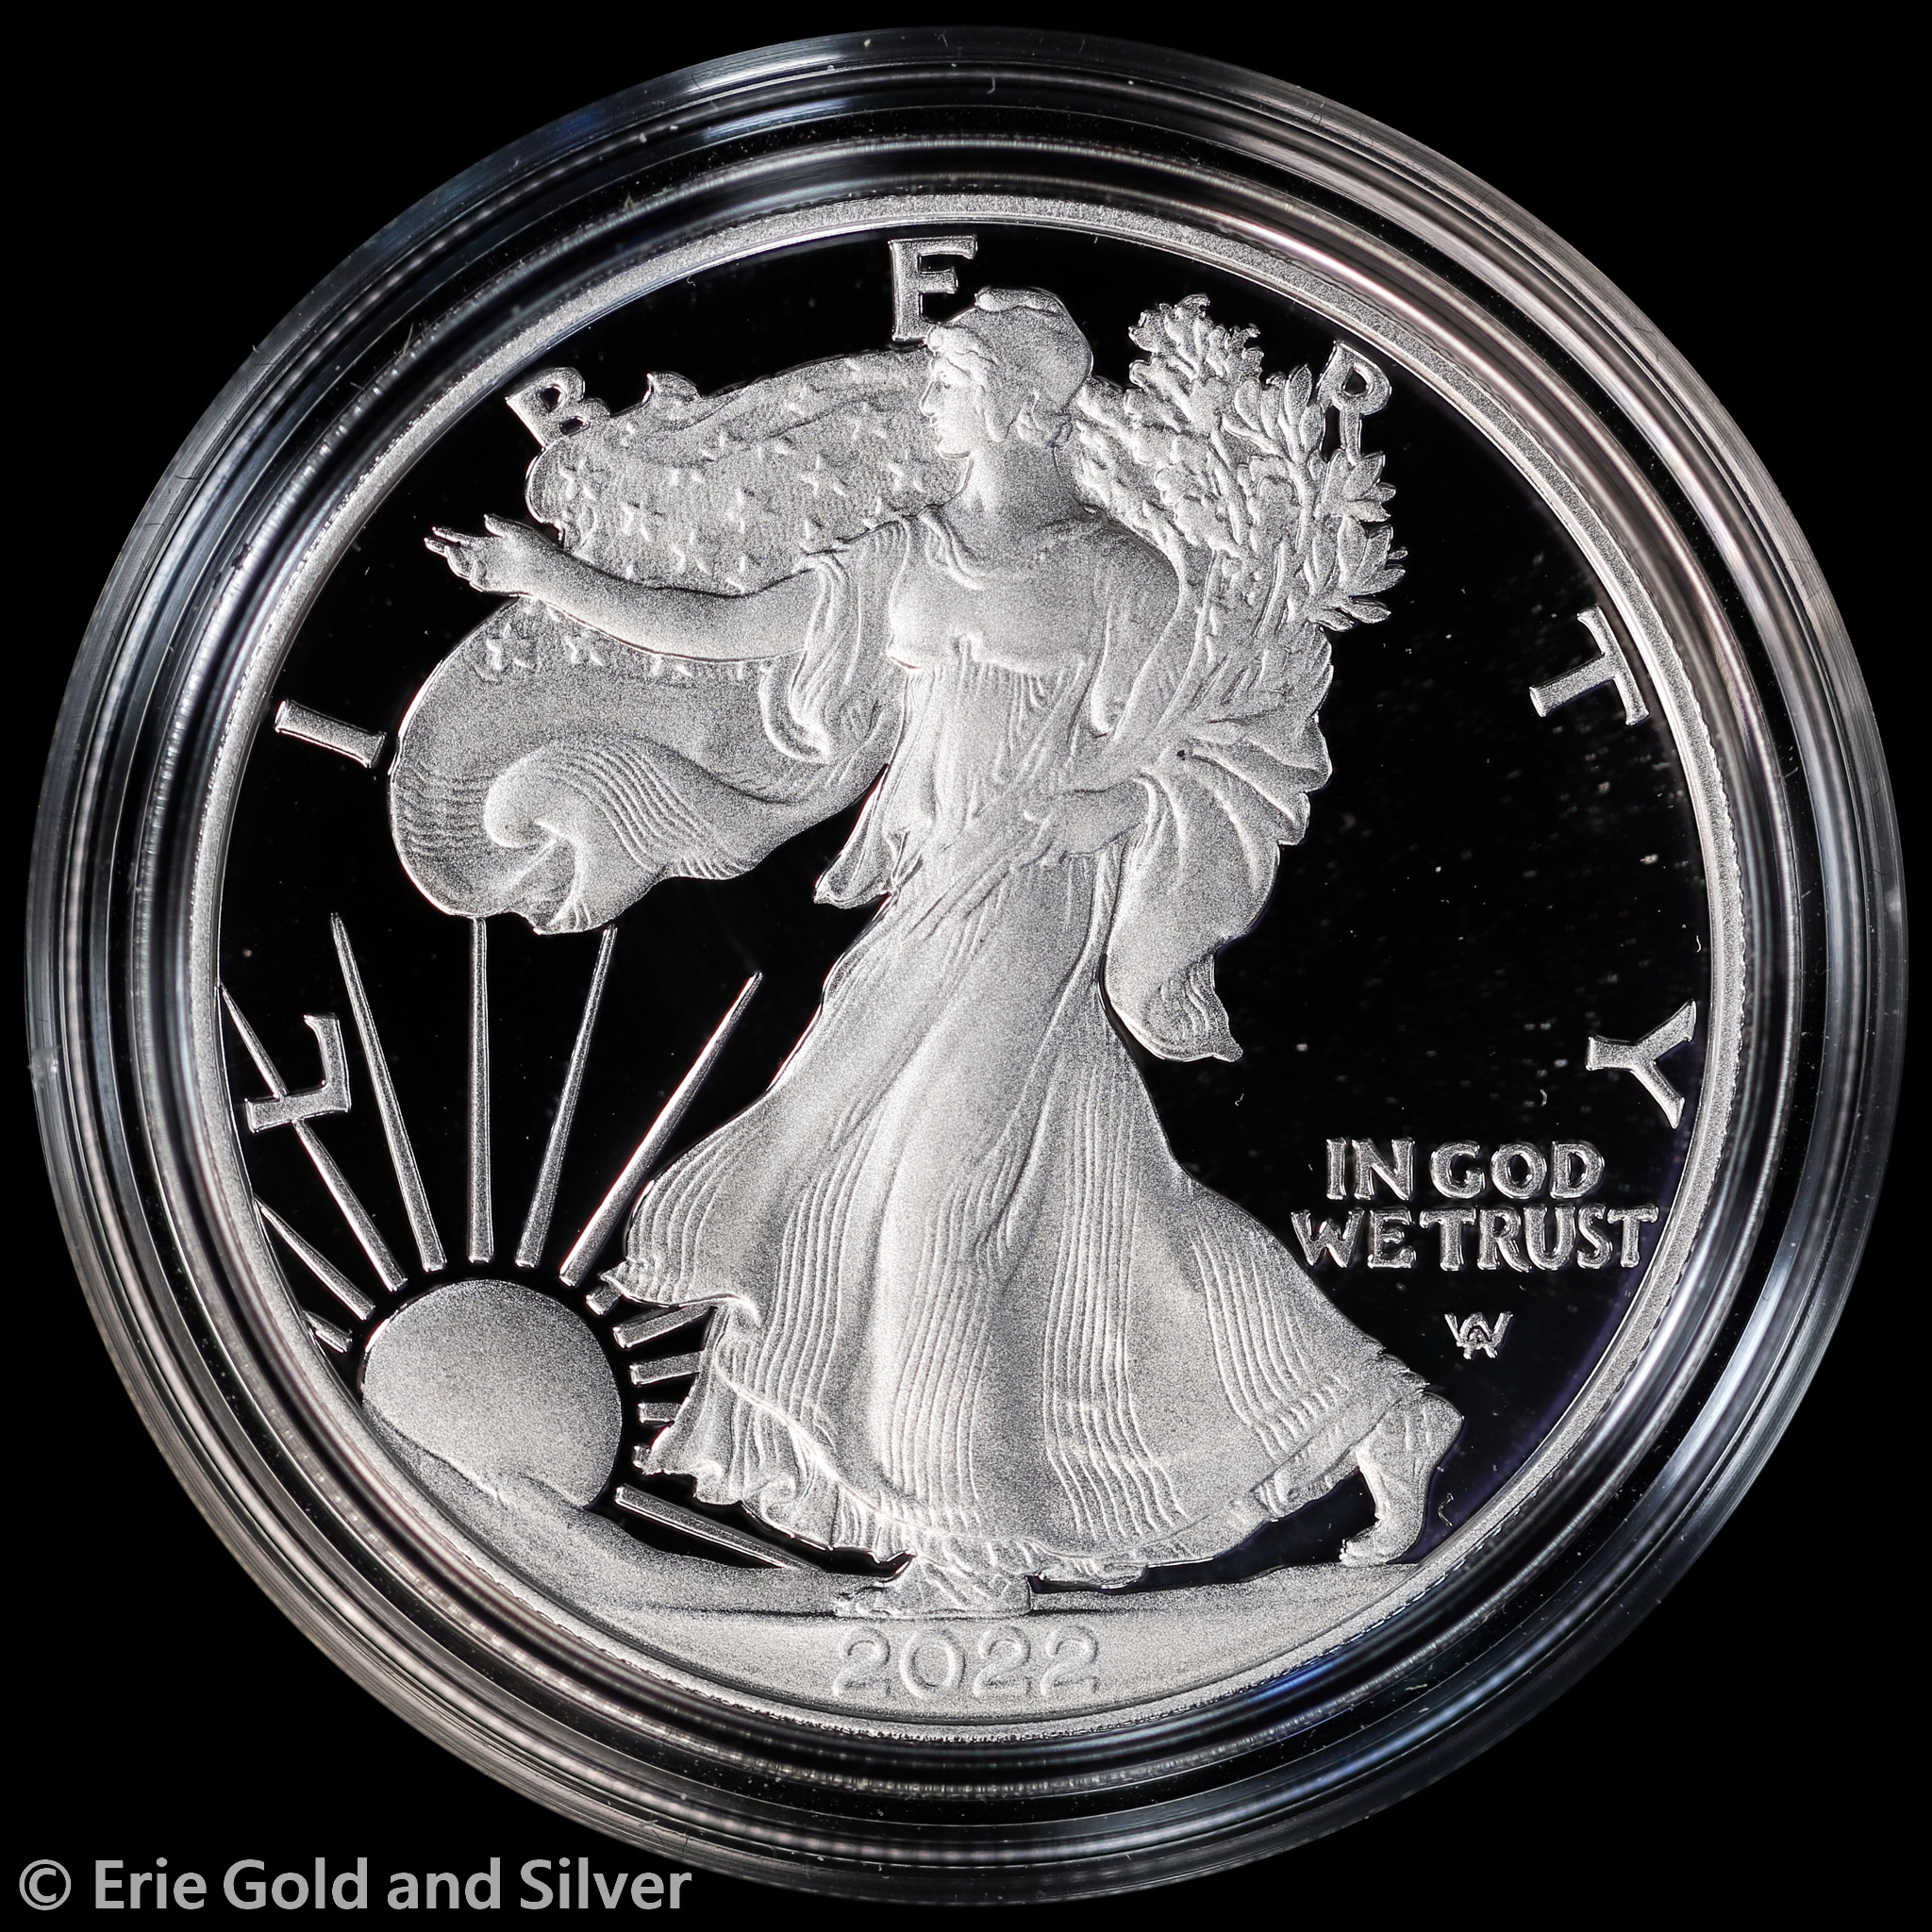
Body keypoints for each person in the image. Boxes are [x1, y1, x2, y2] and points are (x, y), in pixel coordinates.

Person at [425, 288, 1458, 1616]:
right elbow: (727, 630)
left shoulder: (1118, 576)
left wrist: (1104, 809)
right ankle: (1377, 1414)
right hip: (930, 902)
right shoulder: (905, 556)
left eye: (959, 381)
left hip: (1035, 900)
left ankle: (969, 1550)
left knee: (932, 1203)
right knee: (1104, 1201)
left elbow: (1213, 749)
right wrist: (548, 579)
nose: (936, 400)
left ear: (1020, 408)